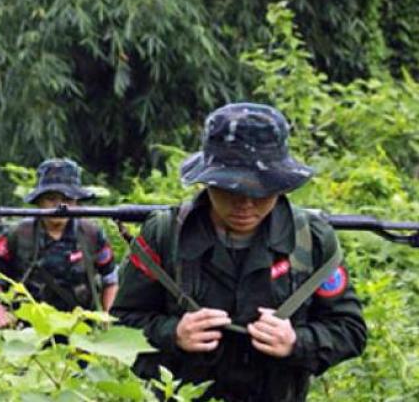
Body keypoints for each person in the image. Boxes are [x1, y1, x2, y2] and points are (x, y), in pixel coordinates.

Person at [111, 103, 367, 401]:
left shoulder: (310, 239)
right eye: (230, 189)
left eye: (261, 190)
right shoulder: (166, 235)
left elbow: (350, 330)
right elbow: (121, 322)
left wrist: (296, 342)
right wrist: (173, 333)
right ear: (207, 181)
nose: (245, 203)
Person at [0, 159, 118, 329]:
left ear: (76, 202)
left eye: (67, 199)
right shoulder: (18, 235)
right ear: (39, 201)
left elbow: (111, 279)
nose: (59, 206)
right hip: (29, 332)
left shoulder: (91, 234)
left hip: (81, 331)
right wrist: (0, 314)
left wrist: (107, 316)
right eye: (51, 199)